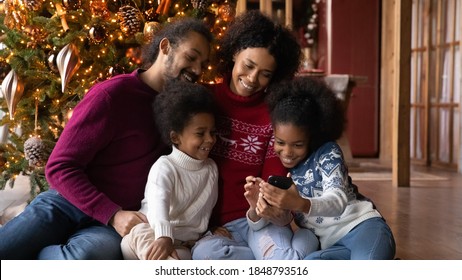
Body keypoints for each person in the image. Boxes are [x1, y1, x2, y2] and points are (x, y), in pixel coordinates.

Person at [0, 17, 213, 260]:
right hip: (67, 204)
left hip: (112, 225)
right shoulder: (112, 95)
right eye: (191, 57)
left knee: (85, 259)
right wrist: (111, 213)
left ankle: (38, 254)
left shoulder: (186, 112)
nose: (197, 70)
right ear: (165, 47)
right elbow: (59, 166)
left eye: (203, 64)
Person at [191, 10, 308, 260]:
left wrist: (267, 210)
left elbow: (272, 179)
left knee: (277, 258)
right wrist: (205, 227)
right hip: (211, 229)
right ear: (235, 53)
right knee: (206, 256)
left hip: (260, 220)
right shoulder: (202, 100)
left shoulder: (274, 114)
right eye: (249, 65)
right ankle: (300, 254)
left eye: (265, 74)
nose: (253, 79)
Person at [258, 77, 396, 260]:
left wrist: (300, 203)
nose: (287, 152)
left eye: (298, 144)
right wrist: (262, 208)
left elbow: (337, 200)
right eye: (280, 142)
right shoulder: (283, 174)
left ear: (312, 137)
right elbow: (285, 219)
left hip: (363, 227)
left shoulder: (328, 153)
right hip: (332, 245)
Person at [120, 80, 219, 260]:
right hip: (152, 233)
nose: (210, 139)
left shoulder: (211, 169)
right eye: (200, 133)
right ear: (175, 137)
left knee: (184, 258)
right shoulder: (165, 166)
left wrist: (208, 231)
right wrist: (164, 236)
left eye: (212, 132)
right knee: (137, 235)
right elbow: (159, 203)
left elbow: (204, 211)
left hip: (182, 243)